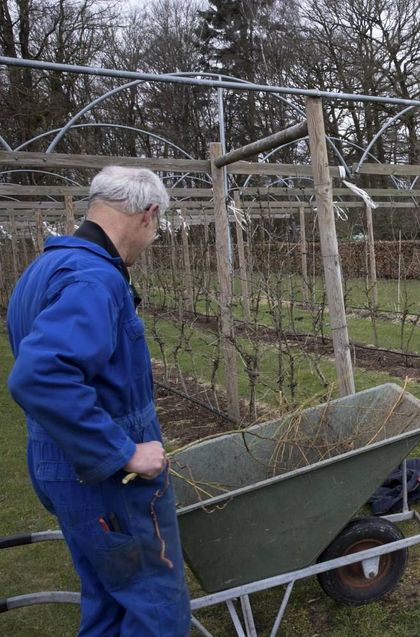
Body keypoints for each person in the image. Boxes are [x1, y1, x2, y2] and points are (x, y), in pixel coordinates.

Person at [7, 166, 191, 636]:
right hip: (109, 480)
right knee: (155, 609)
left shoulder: (45, 267)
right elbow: (40, 376)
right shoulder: (94, 279)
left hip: (60, 464)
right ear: (149, 214)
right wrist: (124, 451)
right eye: (157, 227)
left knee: (109, 601)